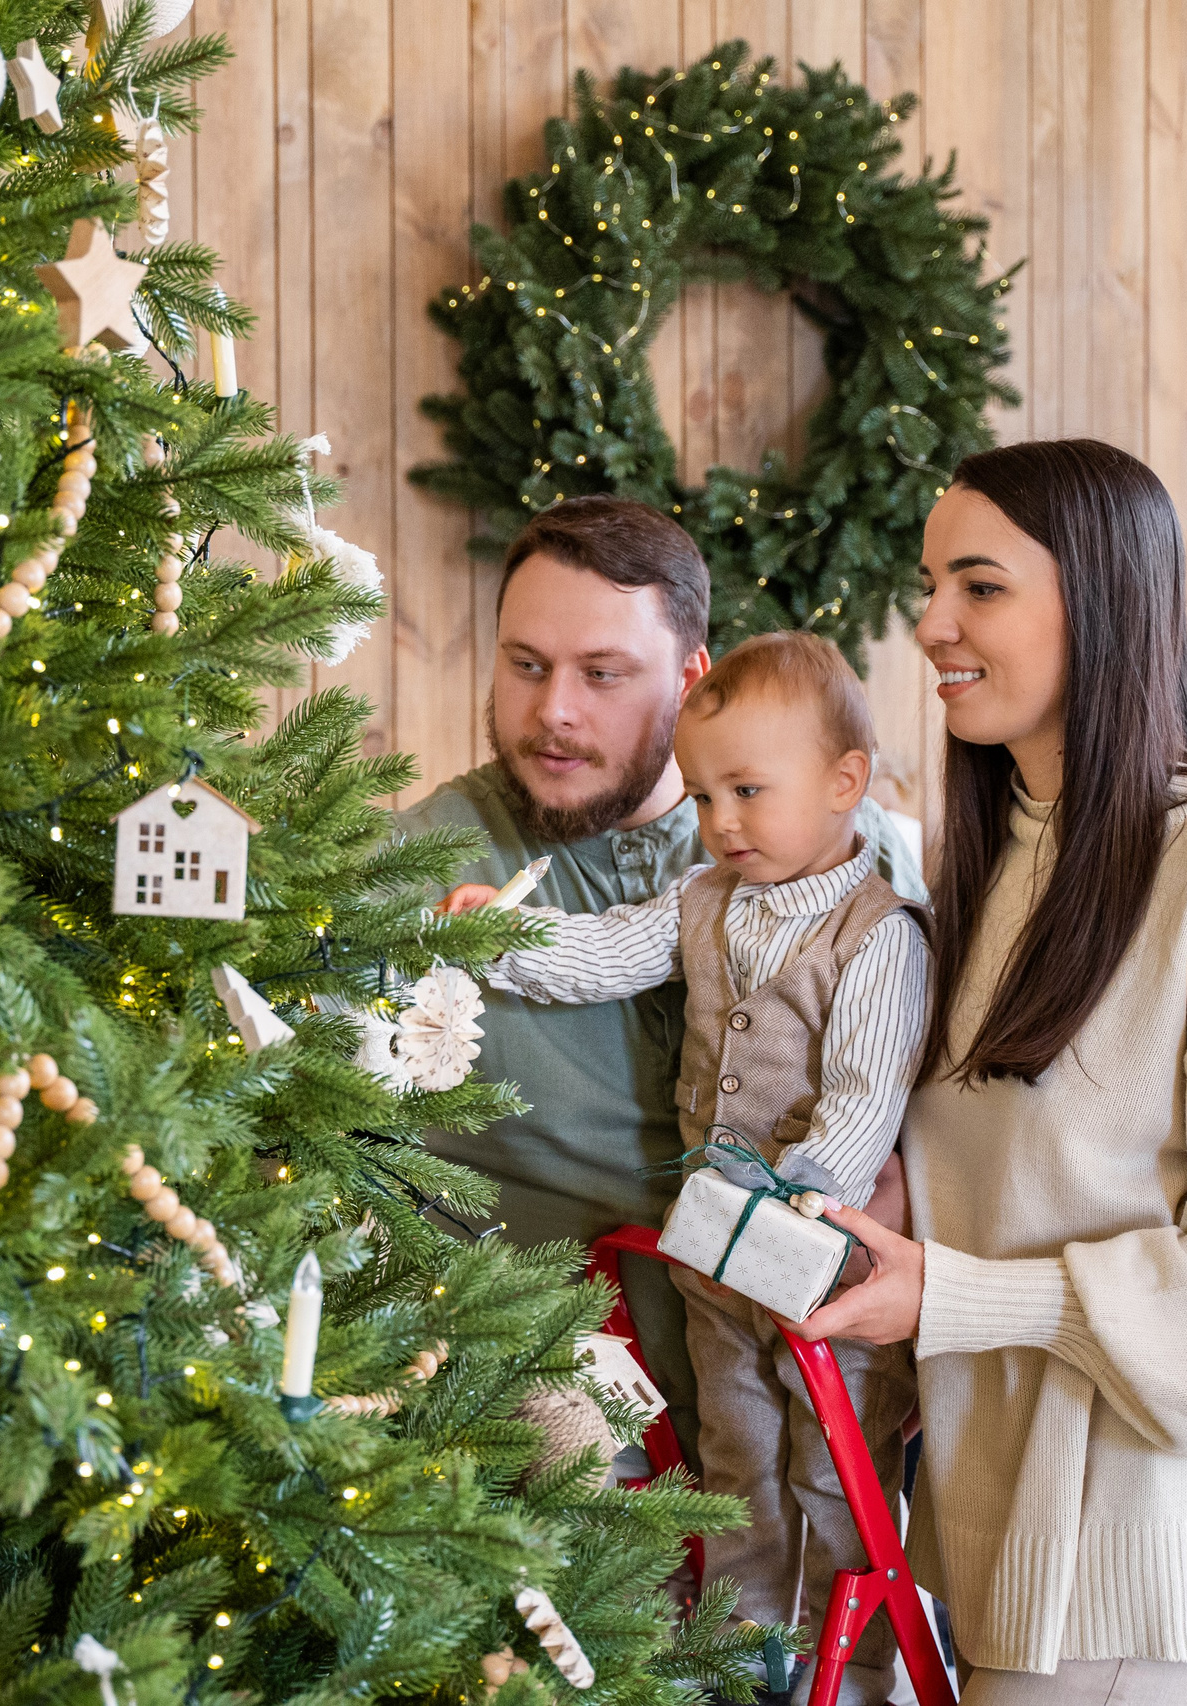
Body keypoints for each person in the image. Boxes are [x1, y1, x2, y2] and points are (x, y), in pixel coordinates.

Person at [791, 439, 1187, 1705]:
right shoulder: (1000, 859)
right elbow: (1033, 1171)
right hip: (1007, 1560)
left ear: (1100, 601)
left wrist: (957, 1294)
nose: (931, 622)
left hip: (1141, 1581)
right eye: (931, 581)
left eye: (980, 586)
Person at [442, 630, 929, 1706]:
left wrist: (795, 1198)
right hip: (716, 1257)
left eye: (749, 791)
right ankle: (740, 1656)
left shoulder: (877, 933)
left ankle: (846, 1672)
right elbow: (608, 950)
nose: (721, 822)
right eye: (706, 796)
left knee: (828, 1470)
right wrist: (506, 938)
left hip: (823, 1267)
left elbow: (863, 1096)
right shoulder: (705, 898)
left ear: (845, 782)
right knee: (736, 1459)